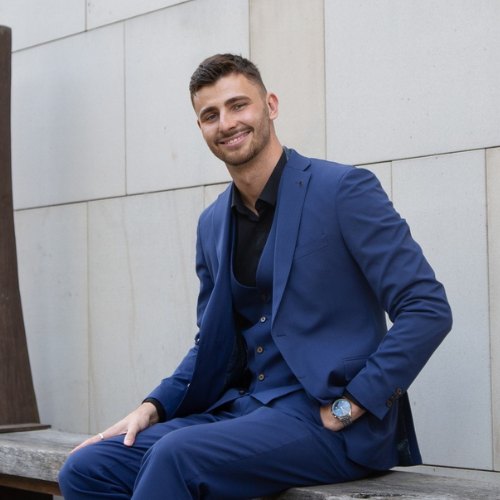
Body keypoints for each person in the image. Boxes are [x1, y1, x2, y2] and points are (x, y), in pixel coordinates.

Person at [59, 54, 452, 500]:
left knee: (177, 456)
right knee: (88, 468)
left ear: (270, 105)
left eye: (238, 105)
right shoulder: (212, 224)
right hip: (244, 410)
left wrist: (353, 403)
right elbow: (211, 343)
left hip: (331, 421)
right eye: (211, 115)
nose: (226, 123)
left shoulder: (343, 190)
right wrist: (154, 406)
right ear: (201, 128)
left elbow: (427, 308)